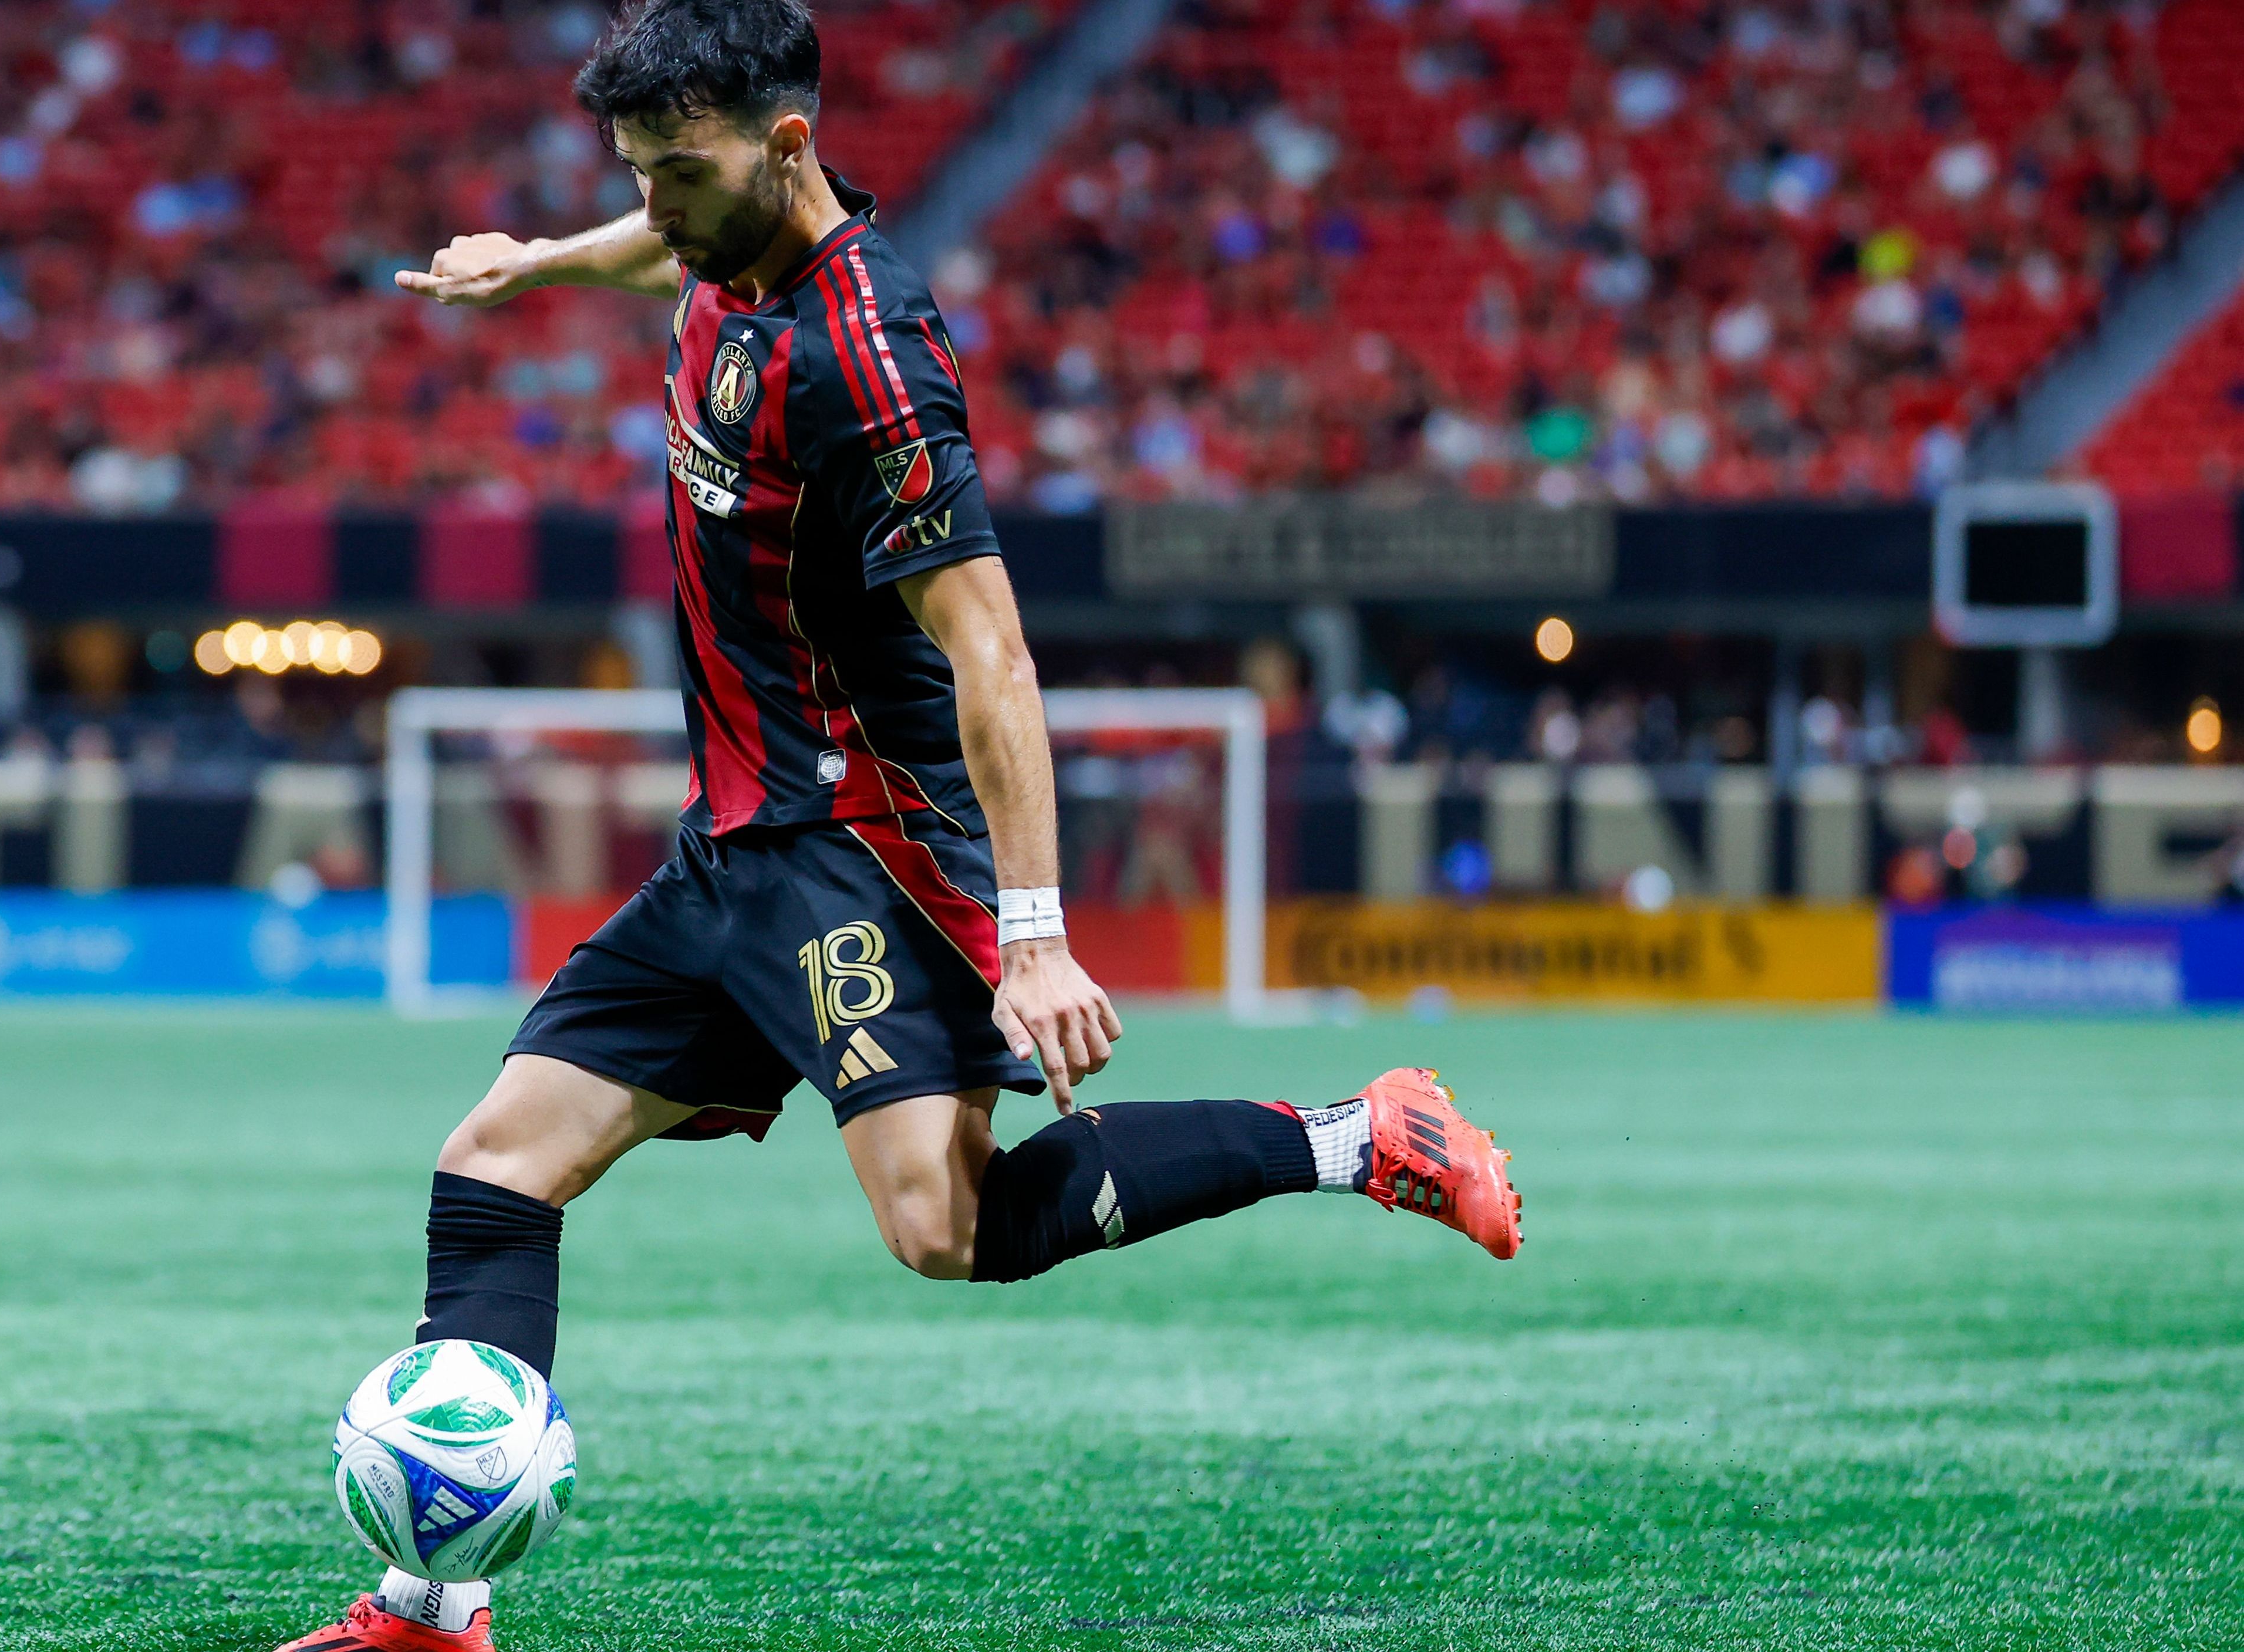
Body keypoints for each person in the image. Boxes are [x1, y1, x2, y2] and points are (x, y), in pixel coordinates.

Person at [281, 6, 1523, 1647]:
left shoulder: (873, 359)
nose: (653, 201)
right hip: (726, 846)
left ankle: (1361, 1135)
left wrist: (1033, 932)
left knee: (947, 1228)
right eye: (634, 172)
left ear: (785, 148)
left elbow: (991, 650)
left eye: (674, 172)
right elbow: (672, 257)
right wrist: (543, 261)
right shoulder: (719, 243)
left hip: (858, 845)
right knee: (491, 1170)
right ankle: (431, 1609)